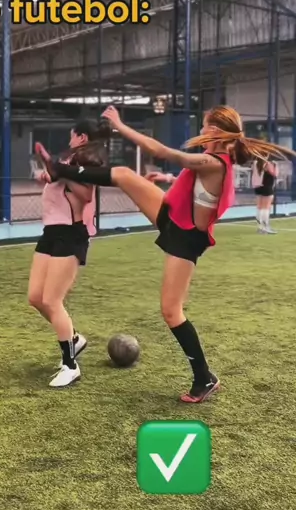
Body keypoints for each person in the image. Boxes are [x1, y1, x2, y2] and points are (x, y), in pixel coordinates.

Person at [36, 105, 295, 403]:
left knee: (171, 311)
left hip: (186, 238)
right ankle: (60, 170)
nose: (201, 131)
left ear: (214, 131)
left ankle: (204, 378)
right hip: (173, 216)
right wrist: (168, 179)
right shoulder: (211, 160)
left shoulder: (213, 162)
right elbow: (196, 186)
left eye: (204, 126)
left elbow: (161, 151)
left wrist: (121, 125)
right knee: (124, 174)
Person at [28, 119, 110, 388]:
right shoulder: (69, 160)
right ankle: (73, 338)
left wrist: (60, 172)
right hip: (51, 232)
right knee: (36, 297)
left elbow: (85, 194)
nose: (69, 139)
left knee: (52, 300)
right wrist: (48, 173)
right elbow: (57, 178)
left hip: (71, 234)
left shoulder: (85, 162)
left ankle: (70, 365)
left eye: (72, 135)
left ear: (82, 137)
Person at [252, 156, 278, 234]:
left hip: (258, 187)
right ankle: (265, 227)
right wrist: (275, 165)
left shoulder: (255, 163)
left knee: (259, 207)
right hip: (267, 187)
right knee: (266, 208)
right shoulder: (268, 164)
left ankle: (260, 227)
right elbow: (275, 174)